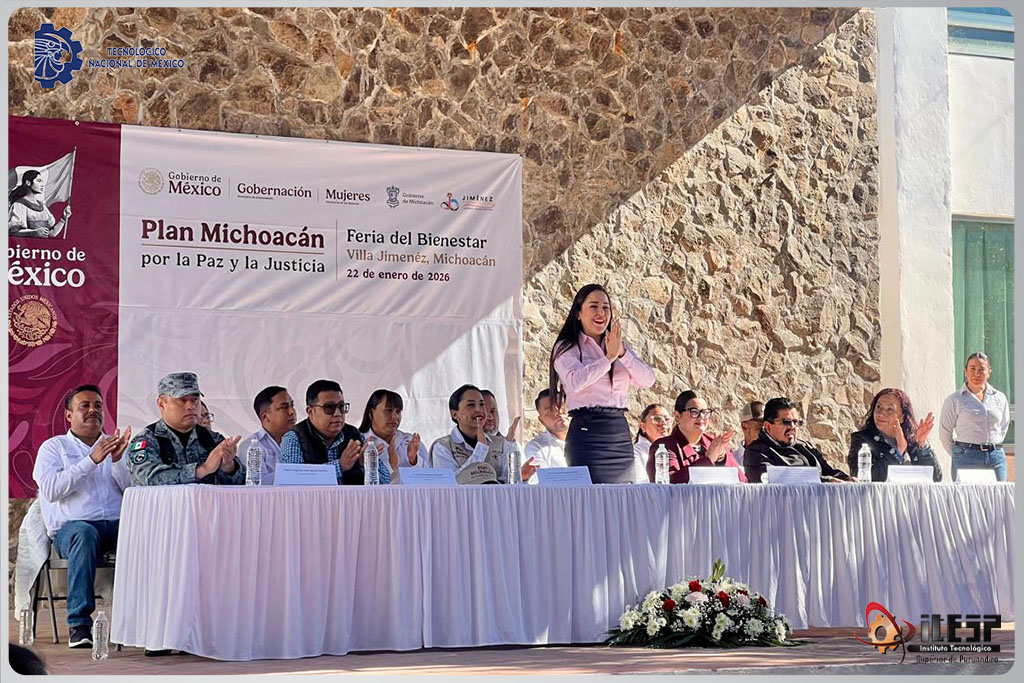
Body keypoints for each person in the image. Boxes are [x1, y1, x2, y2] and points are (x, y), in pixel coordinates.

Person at [31, 384, 132, 648]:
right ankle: (79, 626)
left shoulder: (114, 445)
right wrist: (91, 460)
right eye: (84, 406)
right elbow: (51, 490)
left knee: (146, 531)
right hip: (73, 531)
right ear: (69, 415)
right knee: (85, 533)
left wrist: (118, 461)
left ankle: (142, 621)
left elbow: (133, 492)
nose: (92, 410)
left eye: (97, 405)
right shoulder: (54, 447)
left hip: (116, 525)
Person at [549, 283, 655, 483]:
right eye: (594, 306)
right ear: (578, 313)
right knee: (591, 498)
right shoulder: (567, 347)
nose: (601, 313)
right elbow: (575, 381)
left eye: (606, 307)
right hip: (587, 434)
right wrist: (608, 359)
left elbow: (648, 380)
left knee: (624, 497)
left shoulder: (618, 346)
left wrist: (621, 353)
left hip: (619, 433)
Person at [127, 372, 245, 486]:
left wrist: (229, 467)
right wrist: (202, 470)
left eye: (195, 400)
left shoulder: (212, 439)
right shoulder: (147, 440)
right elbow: (150, 478)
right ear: (162, 404)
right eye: (182, 400)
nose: (191, 406)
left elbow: (244, 484)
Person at [279, 379, 389, 484]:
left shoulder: (354, 435)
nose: (337, 413)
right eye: (329, 407)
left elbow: (386, 480)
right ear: (311, 412)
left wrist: (366, 465)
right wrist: (339, 466)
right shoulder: (294, 438)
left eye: (341, 407)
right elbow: (291, 481)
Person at [430, 384, 536, 484]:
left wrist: (520, 476)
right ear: (454, 414)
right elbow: (450, 484)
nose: (478, 410)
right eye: (471, 405)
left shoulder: (501, 443)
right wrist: (480, 450)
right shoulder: (443, 446)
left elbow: (509, 486)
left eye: (481, 404)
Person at [743, 397, 853, 483]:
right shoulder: (757, 451)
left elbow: (828, 471)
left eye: (796, 422)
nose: (792, 427)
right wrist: (825, 481)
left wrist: (847, 479)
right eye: (786, 422)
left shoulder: (806, 447)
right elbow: (774, 480)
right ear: (768, 426)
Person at [939, 352, 1012, 481]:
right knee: (966, 494)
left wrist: (993, 444)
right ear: (965, 371)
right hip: (966, 458)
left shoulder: (1000, 398)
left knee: (998, 493)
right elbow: (945, 433)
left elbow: (1003, 426)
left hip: (995, 457)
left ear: (989, 372)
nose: (976, 374)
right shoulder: (955, 400)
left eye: (981, 370)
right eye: (972, 369)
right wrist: (959, 453)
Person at [646, 390, 745, 483]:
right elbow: (668, 484)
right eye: (694, 412)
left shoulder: (713, 443)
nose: (701, 417)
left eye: (705, 412)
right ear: (677, 416)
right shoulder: (665, 446)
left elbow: (742, 481)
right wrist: (707, 460)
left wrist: (721, 458)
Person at [848, 388, 941, 482]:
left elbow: (935, 478)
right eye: (878, 407)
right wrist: (898, 451)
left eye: (890, 409)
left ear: (902, 417)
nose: (881, 414)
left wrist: (922, 445)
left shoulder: (912, 440)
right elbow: (861, 478)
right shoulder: (862, 440)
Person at [358, 389, 427, 482]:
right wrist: (390, 466)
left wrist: (414, 461)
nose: (395, 416)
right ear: (371, 413)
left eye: (398, 411)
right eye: (388, 410)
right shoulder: (360, 443)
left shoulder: (410, 441)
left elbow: (432, 479)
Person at [238, 385, 297, 485]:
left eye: (292, 405)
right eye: (284, 407)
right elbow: (258, 483)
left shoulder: (303, 440)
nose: (292, 412)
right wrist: (298, 473)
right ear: (265, 417)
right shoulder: (251, 446)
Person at [8, 169, 71, 238]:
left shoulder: (42, 205)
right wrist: (33, 233)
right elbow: (13, 232)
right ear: (28, 182)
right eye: (38, 181)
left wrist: (64, 218)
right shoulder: (19, 205)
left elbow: (51, 234)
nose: (42, 185)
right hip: (27, 244)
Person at [524, 389, 569, 482]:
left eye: (560, 406)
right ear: (541, 420)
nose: (558, 412)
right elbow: (542, 481)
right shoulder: (537, 447)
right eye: (550, 411)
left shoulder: (586, 439)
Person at [633, 404, 672, 484]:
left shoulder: (675, 448)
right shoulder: (635, 452)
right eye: (657, 419)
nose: (663, 423)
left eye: (667, 419)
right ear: (643, 426)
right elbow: (639, 483)